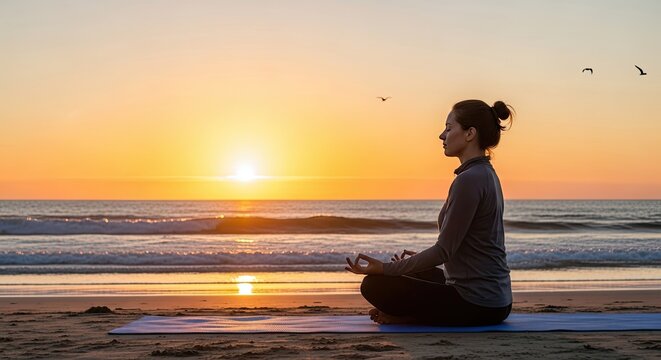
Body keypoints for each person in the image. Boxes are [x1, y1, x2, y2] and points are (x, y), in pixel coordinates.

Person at [345, 99, 514, 326]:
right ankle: (408, 314)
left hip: (478, 303)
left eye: (448, 128)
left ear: (470, 133)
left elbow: (443, 250)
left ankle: (407, 317)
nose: (442, 136)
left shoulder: (469, 180)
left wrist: (386, 268)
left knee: (374, 284)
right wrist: (416, 263)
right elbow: (466, 247)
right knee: (415, 272)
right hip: (495, 299)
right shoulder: (485, 173)